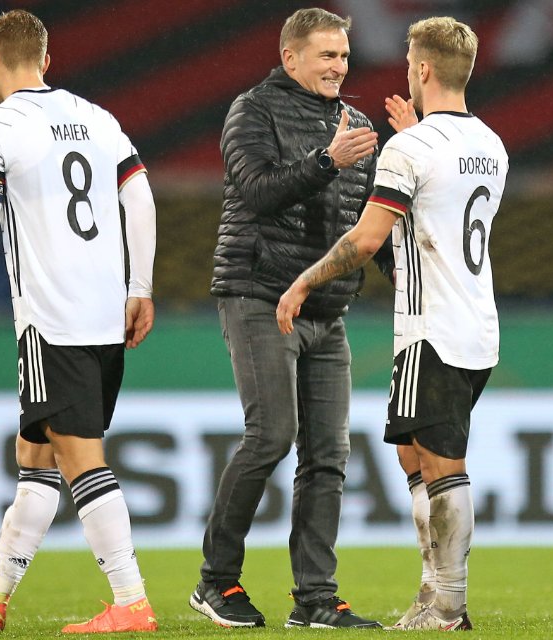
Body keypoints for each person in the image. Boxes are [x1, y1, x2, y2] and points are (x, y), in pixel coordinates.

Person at [277, 15, 508, 632]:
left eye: (410, 63)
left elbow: (367, 238)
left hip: (431, 328)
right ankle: (432, 594)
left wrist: (304, 279)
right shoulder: (489, 144)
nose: (407, 70)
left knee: (440, 465)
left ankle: (449, 606)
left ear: (424, 70)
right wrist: (415, 133)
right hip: (477, 324)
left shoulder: (412, 150)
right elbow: (441, 207)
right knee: (414, 457)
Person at [0, 9, 158, 634]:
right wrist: (138, 287)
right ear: (47, 59)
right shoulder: (98, 118)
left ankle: (130, 600)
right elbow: (138, 199)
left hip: (50, 318)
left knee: (79, 456)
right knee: (35, 451)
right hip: (105, 313)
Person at [189, 7, 390, 630]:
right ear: (290, 58)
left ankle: (317, 599)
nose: (340, 66)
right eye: (327, 55)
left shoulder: (354, 123)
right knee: (272, 434)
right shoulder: (253, 110)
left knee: (328, 454)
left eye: (345, 56)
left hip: (326, 309)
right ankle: (216, 583)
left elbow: (368, 225)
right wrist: (327, 161)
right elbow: (256, 192)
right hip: (257, 291)